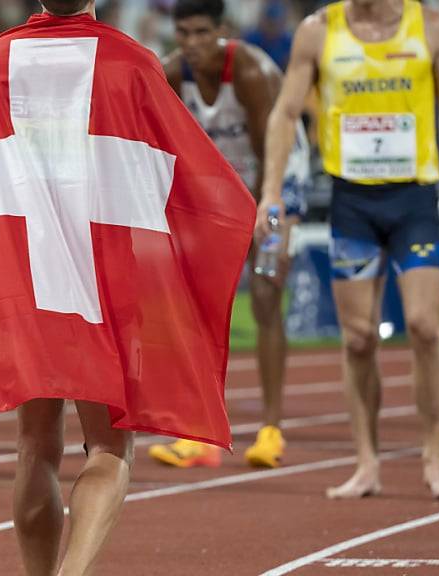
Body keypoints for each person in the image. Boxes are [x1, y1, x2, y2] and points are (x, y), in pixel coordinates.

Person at [0, 0, 255, 572]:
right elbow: (178, 177)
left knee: (35, 445)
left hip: (25, 284)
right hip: (106, 286)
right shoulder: (131, 64)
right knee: (108, 447)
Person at [259, 0, 439, 499]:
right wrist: (271, 190)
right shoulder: (318, 31)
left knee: (423, 325)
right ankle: (366, 463)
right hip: (352, 201)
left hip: (413, 199)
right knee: (357, 339)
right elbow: (286, 111)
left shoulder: (431, 28)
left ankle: (435, 459)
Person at [148, 0, 311, 470]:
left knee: (265, 290)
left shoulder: (252, 72)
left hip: (276, 184)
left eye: (202, 33)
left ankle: (271, 430)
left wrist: (266, 215)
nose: (192, 44)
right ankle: (199, 433)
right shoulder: (172, 74)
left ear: (222, 30)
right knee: (195, 307)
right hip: (219, 191)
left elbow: (270, 155)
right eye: (184, 34)